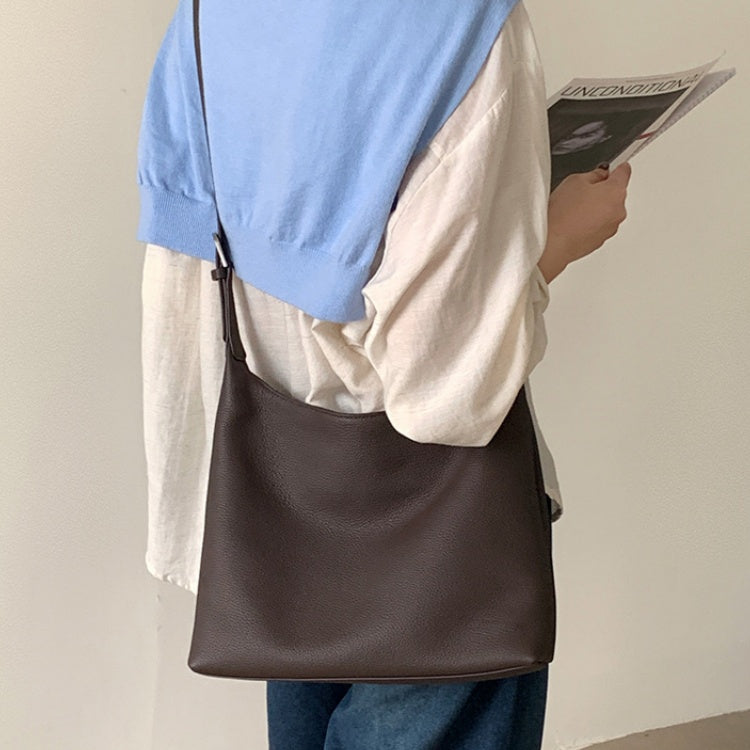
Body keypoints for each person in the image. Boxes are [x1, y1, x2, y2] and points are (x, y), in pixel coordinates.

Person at [138, 1, 630, 747]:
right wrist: (554, 238)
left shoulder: (209, 11)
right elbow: (447, 392)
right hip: (434, 520)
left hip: (281, 494)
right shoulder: (470, 27)